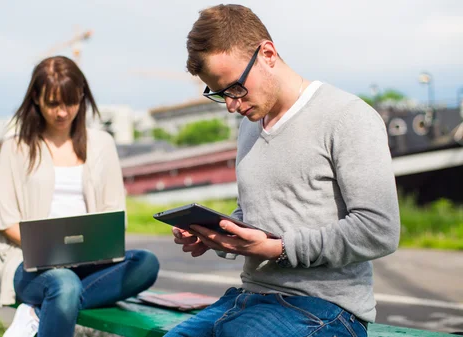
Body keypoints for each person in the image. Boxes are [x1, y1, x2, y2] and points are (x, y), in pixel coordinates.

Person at [167, 4, 400, 337]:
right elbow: (255, 216)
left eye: (234, 87)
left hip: (326, 308)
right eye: (219, 94)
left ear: (268, 53)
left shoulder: (347, 116)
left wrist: (279, 249)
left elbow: (380, 229)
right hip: (248, 298)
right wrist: (215, 235)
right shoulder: (249, 126)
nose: (232, 105)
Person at [0, 56, 160, 337]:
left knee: (146, 264)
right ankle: (55, 301)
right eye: (53, 103)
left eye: (70, 102)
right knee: (64, 283)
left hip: (91, 263)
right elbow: (6, 220)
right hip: (32, 266)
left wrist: (88, 250)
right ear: (36, 98)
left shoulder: (102, 144)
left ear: (82, 96)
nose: (62, 112)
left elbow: (114, 215)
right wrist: (56, 251)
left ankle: (38, 312)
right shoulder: (16, 147)